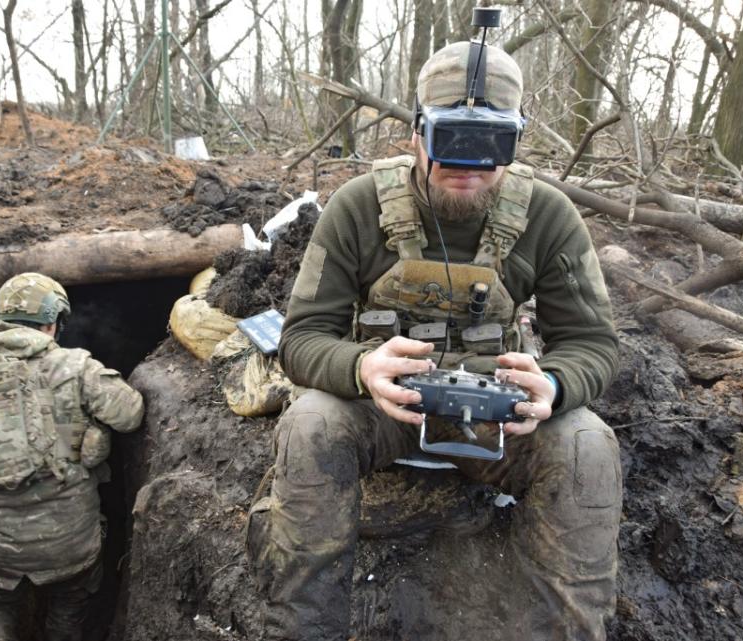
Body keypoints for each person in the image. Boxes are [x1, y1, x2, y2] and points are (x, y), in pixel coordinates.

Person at [246, 40, 622, 641]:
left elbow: (593, 343)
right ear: (417, 131)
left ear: (517, 139)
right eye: (451, 138)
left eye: (491, 143)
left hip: (500, 413)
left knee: (588, 446)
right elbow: (303, 338)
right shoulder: (358, 206)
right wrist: (362, 367)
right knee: (311, 422)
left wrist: (552, 384)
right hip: (386, 406)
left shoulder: (548, 215)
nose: (469, 163)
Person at [0, 272, 145, 641]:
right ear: (53, 323)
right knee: (68, 605)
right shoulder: (76, 368)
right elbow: (130, 414)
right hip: (70, 544)